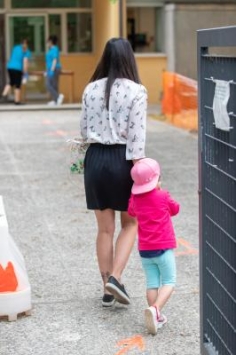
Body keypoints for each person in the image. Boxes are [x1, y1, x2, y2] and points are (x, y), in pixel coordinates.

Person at [80, 38, 147, 307]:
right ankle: (116, 278)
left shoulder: (89, 89)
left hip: (95, 159)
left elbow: (84, 132)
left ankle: (106, 288)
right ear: (129, 59)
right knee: (130, 223)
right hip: (123, 159)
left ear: (105, 58)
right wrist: (143, 175)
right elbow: (137, 140)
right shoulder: (137, 91)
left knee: (104, 229)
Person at [128, 158, 180, 335]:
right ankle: (156, 309)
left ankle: (155, 317)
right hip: (163, 248)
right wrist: (161, 192)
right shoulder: (162, 195)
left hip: (145, 250)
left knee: (152, 283)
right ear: (156, 180)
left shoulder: (135, 198)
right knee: (169, 281)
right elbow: (175, 209)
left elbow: (131, 212)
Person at [0, 39, 31, 105]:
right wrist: (25, 72)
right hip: (17, 68)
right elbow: (25, 62)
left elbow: (13, 57)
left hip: (10, 67)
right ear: (27, 44)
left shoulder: (16, 48)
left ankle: (3, 96)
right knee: (17, 84)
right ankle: (17, 101)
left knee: (11, 82)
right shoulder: (26, 51)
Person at [45, 35, 64, 106]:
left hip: (54, 68)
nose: (47, 43)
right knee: (54, 85)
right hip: (50, 69)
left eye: (47, 42)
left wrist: (52, 70)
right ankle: (55, 101)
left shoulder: (55, 49)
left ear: (50, 42)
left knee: (48, 84)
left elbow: (55, 60)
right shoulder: (51, 50)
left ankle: (58, 96)